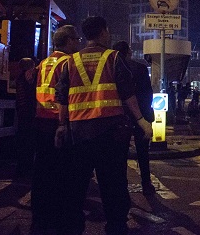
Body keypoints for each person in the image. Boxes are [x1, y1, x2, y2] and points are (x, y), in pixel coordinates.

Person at [56, 16, 153, 235]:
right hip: (110, 135)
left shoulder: (70, 62)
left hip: (79, 135)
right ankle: (116, 228)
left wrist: (61, 126)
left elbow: (62, 97)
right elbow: (128, 95)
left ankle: (74, 229)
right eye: (107, 31)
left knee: (77, 187)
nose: (109, 35)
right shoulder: (113, 58)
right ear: (102, 32)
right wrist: (141, 121)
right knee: (113, 187)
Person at [31, 25, 82, 235]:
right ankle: (58, 219)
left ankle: (40, 217)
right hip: (58, 122)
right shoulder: (68, 62)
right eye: (76, 39)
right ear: (69, 41)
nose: (78, 43)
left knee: (42, 171)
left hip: (41, 121)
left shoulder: (44, 62)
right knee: (61, 173)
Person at [112, 41, 155, 196]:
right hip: (140, 116)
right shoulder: (140, 68)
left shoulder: (111, 67)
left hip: (119, 118)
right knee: (143, 152)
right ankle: (146, 184)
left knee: (120, 154)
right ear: (128, 52)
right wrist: (144, 116)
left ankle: (121, 186)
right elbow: (147, 94)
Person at [15, 57, 36, 177]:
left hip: (22, 112)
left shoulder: (19, 77)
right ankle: (25, 168)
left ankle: (21, 167)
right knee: (28, 141)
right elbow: (30, 94)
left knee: (23, 139)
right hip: (28, 113)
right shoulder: (27, 77)